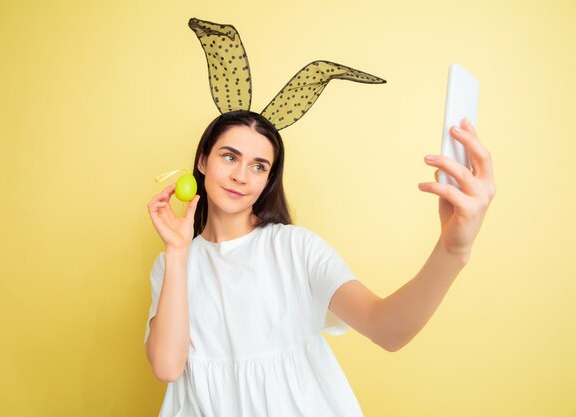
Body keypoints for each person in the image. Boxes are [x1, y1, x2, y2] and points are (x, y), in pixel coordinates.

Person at [144, 110, 496, 416]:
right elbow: (167, 366)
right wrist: (178, 252)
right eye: (229, 157)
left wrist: (453, 250)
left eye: (258, 166)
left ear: (268, 180)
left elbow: (387, 329)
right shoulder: (170, 264)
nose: (241, 176)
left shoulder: (296, 248)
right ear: (203, 161)